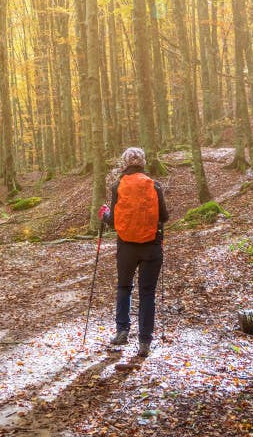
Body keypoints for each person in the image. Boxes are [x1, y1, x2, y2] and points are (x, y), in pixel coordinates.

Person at [98, 147, 169, 358]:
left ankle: (122, 331)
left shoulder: (117, 185)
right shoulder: (155, 185)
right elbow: (164, 216)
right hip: (152, 246)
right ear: (143, 163)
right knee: (147, 293)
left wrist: (105, 214)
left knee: (124, 287)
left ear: (124, 164)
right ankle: (145, 342)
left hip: (126, 247)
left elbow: (114, 222)